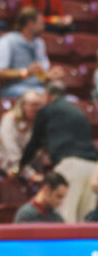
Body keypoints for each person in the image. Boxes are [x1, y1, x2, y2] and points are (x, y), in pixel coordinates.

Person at [21, 82, 98, 222]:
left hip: (70, 164)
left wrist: (22, 163)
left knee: (66, 217)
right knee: (86, 221)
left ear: (48, 96)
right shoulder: (79, 112)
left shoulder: (48, 110)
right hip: (93, 166)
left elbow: (35, 142)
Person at [0, 8, 53, 99]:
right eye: (41, 24)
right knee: (41, 96)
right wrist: (26, 72)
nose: (43, 27)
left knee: (64, 98)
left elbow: (39, 75)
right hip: (13, 88)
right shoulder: (7, 41)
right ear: (30, 23)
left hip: (37, 87)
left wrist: (48, 76)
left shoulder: (40, 43)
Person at [0, 89, 44, 175]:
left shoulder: (39, 122)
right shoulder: (10, 120)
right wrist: (30, 175)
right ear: (23, 105)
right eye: (33, 105)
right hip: (7, 165)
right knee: (14, 171)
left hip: (29, 166)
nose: (36, 109)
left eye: (39, 105)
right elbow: (11, 151)